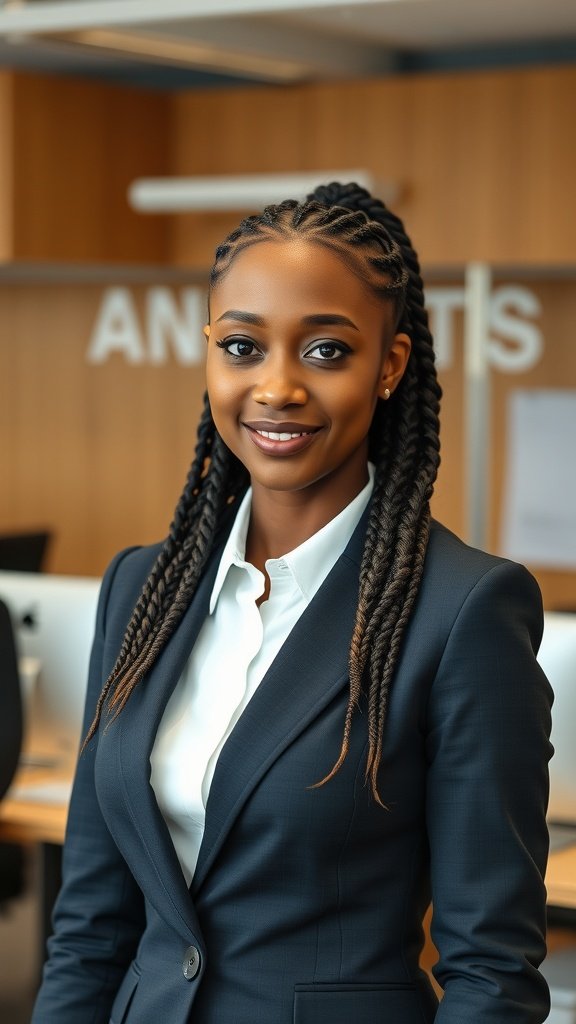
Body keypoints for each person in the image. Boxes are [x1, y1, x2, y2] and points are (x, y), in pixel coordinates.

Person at [31, 182, 552, 1024]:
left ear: (390, 365)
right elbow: (91, 925)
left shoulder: (464, 611)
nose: (276, 387)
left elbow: (491, 970)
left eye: (324, 352)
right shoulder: (142, 589)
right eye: (241, 347)